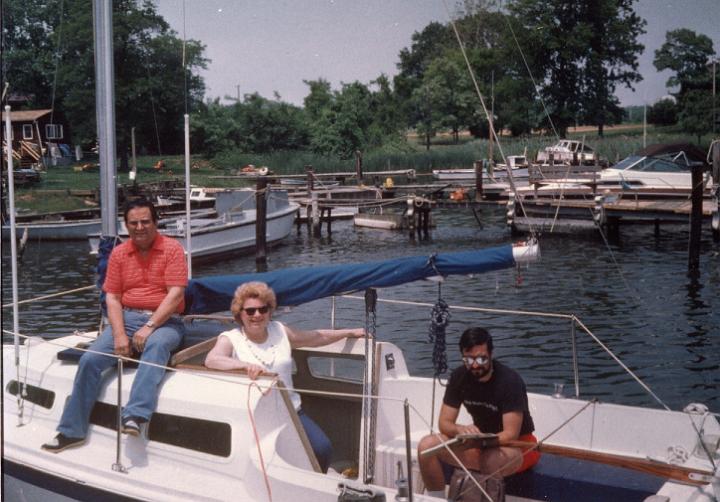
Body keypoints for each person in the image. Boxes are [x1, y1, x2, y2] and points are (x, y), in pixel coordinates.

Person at [42, 199, 188, 453]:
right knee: (89, 360)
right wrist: (120, 334)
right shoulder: (120, 254)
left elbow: (175, 294)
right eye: (134, 223)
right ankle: (71, 431)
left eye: (145, 221)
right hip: (128, 318)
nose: (140, 227)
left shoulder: (172, 249)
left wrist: (150, 326)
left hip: (166, 319)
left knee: (156, 345)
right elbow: (113, 297)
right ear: (126, 225)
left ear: (155, 223)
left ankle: (135, 415)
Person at [204, 281, 364, 472]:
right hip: (257, 416)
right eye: (250, 311)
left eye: (263, 310)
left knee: (322, 448)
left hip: (292, 411)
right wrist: (243, 365)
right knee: (271, 463)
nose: (257, 315)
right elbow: (212, 360)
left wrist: (349, 332)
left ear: (270, 311)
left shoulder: (279, 330)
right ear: (240, 314)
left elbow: (315, 337)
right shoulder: (231, 338)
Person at [417, 327, 540, 499]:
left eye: (481, 359)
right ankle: (435, 498)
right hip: (479, 442)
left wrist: (480, 442)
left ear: (491, 354)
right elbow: (444, 423)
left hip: (519, 447)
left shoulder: (509, 381)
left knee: (489, 460)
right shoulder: (459, 376)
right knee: (426, 448)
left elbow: (511, 435)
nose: (475, 365)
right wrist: (460, 430)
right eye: (469, 360)